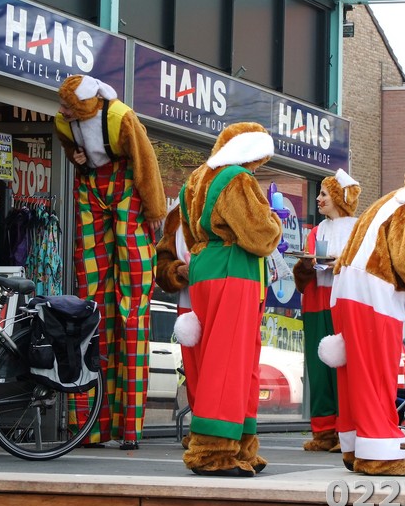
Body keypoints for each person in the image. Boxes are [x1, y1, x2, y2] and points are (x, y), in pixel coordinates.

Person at [319, 159, 405, 477]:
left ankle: (355, 447)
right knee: (377, 375)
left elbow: (391, 256)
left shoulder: (389, 202)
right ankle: (379, 454)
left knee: (353, 374)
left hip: (347, 292)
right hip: (373, 297)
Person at [55, 74, 167, 450]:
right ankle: (91, 425)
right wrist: (76, 156)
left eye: (69, 106)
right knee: (91, 305)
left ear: (88, 105)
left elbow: (146, 163)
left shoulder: (120, 118)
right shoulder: (63, 121)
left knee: (132, 305)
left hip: (128, 188)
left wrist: (154, 210)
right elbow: (69, 144)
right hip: (91, 188)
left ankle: (128, 426)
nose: (62, 111)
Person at [175, 122, 282, 477]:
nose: (259, 167)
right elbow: (261, 236)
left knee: (229, 362)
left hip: (205, 266)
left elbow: (189, 232)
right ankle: (213, 451)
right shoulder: (237, 178)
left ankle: (240, 445)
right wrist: (275, 222)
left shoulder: (195, 180)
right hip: (234, 270)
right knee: (229, 363)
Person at [292, 169, 360, 452]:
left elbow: (364, 264)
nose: (318, 199)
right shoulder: (317, 230)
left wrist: (340, 263)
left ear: (339, 198)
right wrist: (307, 264)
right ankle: (323, 432)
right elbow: (307, 265)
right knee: (319, 369)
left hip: (344, 302)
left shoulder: (359, 229)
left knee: (344, 369)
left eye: (324, 194)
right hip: (316, 302)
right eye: (318, 193)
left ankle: (347, 432)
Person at [154, 200, 197, 448]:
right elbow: (162, 263)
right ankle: (199, 428)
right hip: (187, 302)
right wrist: (177, 269)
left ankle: (218, 431)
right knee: (192, 369)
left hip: (219, 298)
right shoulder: (176, 216)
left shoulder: (222, 205)